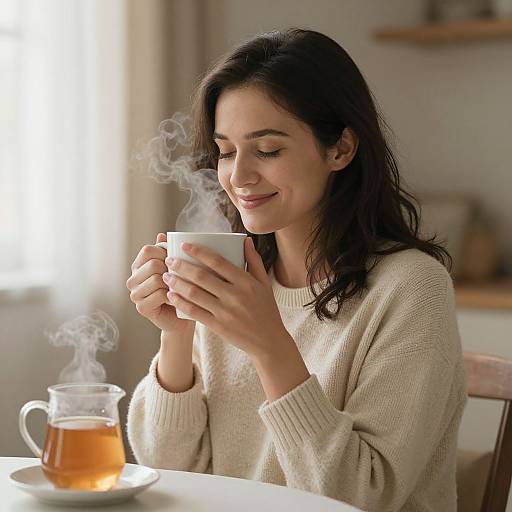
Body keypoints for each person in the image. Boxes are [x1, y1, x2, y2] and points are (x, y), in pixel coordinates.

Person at [125, 28, 467, 512]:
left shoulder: (412, 289)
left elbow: (359, 497)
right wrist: (176, 335)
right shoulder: (237, 277)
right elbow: (171, 470)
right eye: (225, 151)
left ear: (340, 149)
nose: (238, 177)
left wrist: (270, 345)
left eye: (267, 150)